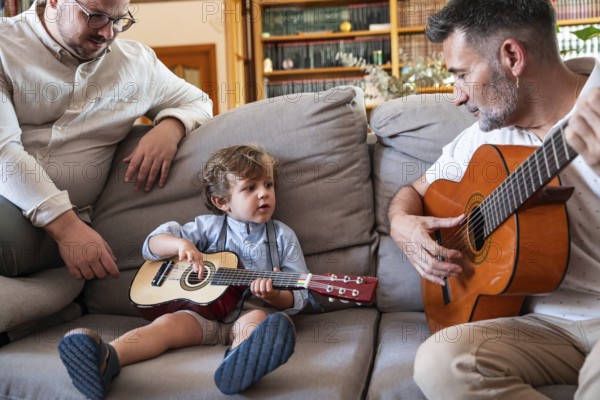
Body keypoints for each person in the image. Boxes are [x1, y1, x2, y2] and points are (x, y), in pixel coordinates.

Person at [387, 0, 600, 398]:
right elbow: (414, 192)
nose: (456, 95)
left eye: (462, 75)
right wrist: (402, 225)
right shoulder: (484, 137)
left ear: (512, 57)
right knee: (439, 362)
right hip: (544, 327)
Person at [57, 144, 309, 398]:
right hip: (200, 315)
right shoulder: (207, 227)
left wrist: (274, 296)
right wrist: (181, 244)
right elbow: (152, 244)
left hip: (249, 311)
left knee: (256, 322)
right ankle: (105, 359)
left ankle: (239, 365)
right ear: (222, 202)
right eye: (250, 188)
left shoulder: (282, 236)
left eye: (268, 184)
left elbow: (300, 295)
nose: (264, 194)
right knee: (165, 325)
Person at [0, 0, 213, 280]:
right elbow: (3, 151)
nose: (108, 33)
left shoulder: (136, 64)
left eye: (119, 20)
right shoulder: (5, 45)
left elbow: (198, 101)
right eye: (96, 16)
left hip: (48, 235)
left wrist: (170, 128)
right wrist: (68, 228)